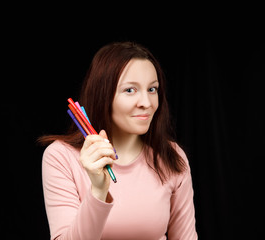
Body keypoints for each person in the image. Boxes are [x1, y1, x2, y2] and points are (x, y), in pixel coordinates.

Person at [38, 41, 198, 239]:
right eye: (130, 90)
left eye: (152, 89)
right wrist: (98, 190)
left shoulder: (172, 156)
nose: (146, 103)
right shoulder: (61, 157)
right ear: (102, 94)